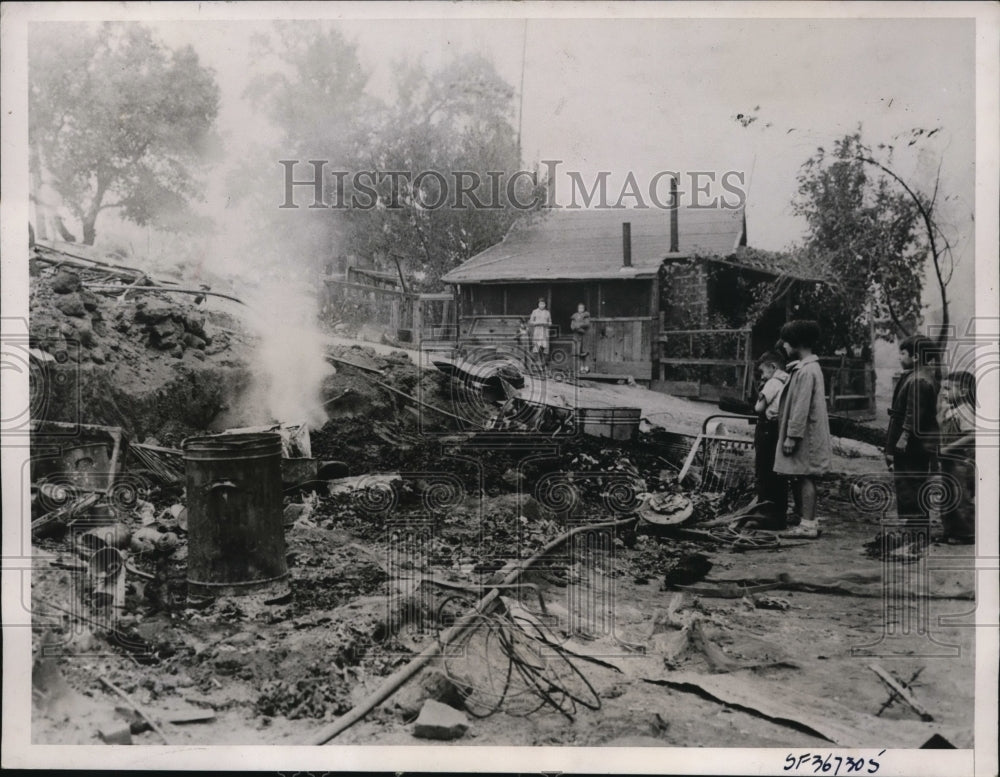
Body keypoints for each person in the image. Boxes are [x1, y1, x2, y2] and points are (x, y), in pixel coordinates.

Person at [773, 320, 832, 539]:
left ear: (796, 343)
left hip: (805, 435)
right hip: (804, 434)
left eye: (787, 343)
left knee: (806, 476)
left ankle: (808, 525)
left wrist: (792, 435)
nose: (784, 347)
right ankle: (806, 519)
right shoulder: (806, 368)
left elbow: (801, 407)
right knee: (800, 475)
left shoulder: (807, 371)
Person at [886, 335, 940, 529]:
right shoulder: (919, 375)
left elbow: (913, 413)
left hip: (914, 443)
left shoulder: (919, 380)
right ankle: (913, 526)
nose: (899, 357)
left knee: (912, 484)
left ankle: (916, 529)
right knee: (910, 483)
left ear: (916, 357)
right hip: (916, 442)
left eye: (903, 353)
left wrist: (904, 437)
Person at [936, 370, 976, 544]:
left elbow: (972, 435)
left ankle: (965, 533)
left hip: (961, 462)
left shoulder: (965, 411)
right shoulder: (951, 410)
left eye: (947, 389)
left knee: (960, 498)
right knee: (947, 497)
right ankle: (949, 530)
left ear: (963, 392)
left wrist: (948, 449)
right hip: (948, 462)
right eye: (942, 389)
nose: (944, 393)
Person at [752, 351, 790, 528]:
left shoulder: (773, 382)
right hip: (779, 428)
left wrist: (762, 387)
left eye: (763, 372)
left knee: (764, 470)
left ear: (773, 367)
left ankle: (765, 514)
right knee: (777, 473)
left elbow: (759, 408)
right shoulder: (788, 380)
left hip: (767, 428)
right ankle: (778, 514)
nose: (762, 376)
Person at [570, 302, 592, 372]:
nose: (580, 309)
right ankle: (579, 367)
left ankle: (586, 367)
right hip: (576, 336)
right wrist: (574, 327)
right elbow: (572, 325)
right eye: (579, 308)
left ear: (584, 309)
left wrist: (579, 325)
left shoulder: (586, 315)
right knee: (577, 351)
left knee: (584, 351)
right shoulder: (575, 316)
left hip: (584, 336)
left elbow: (587, 324)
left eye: (582, 308)